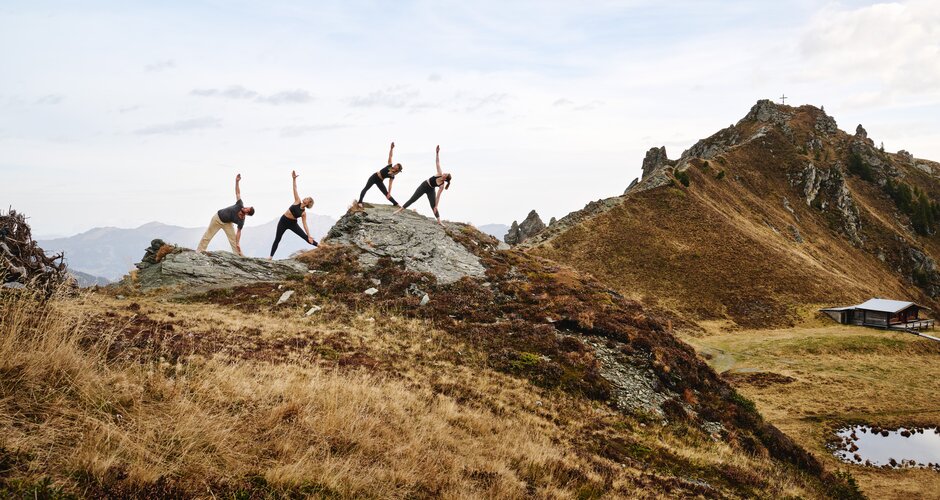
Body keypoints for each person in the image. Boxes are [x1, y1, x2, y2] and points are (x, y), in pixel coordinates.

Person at [197, 174, 255, 256]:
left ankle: (238, 257)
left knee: (234, 241)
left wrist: (238, 243)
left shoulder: (241, 220)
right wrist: (237, 181)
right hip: (217, 218)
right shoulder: (240, 205)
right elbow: (237, 193)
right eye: (247, 207)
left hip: (227, 224)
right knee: (207, 236)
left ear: (247, 213)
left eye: (247, 209)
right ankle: (199, 251)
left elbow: (239, 232)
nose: (245, 208)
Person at [395, 145, 452, 226]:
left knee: (433, 206)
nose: (444, 173)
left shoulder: (442, 186)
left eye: (445, 174)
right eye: (445, 173)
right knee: (413, 199)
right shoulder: (439, 173)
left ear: (445, 178)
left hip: (431, 190)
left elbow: (438, 197)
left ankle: (439, 221)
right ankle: (399, 210)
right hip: (424, 186)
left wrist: (436, 205)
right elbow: (437, 162)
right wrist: (437, 153)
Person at [269, 170, 318, 259]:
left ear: (308, 203)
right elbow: (295, 188)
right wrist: (294, 179)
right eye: (306, 197)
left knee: (305, 237)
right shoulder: (297, 201)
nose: (305, 198)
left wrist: (309, 235)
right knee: (277, 239)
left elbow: (305, 225)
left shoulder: (303, 213)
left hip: (292, 224)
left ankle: (320, 246)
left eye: (307, 199)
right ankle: (270, 257)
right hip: (283, 221)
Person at [358, 141, 402, 208]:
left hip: (379, 181)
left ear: (397, 169)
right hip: (374, 177)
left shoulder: (392, 176)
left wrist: (389, 193)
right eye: (396, 164)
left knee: (386, 194)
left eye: (397, 166)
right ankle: (360, 202)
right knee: (366, 188)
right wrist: (391, 149)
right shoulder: (390, 165)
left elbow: (390, 185)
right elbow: (390, 156)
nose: (395, 165)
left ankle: (396, 204)